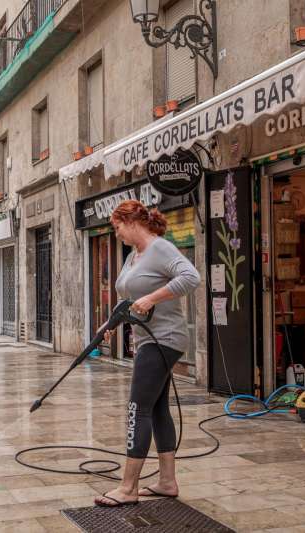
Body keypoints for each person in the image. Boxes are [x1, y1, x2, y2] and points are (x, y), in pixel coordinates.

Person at [94, 200, 200, 507]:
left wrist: (153, 298)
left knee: (136, 408)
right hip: (147, 339)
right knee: (156, 409)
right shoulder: (133, 256)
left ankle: (128, 488)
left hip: (163, 339)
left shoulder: (159, 248)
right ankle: (167, 481)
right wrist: (111, 323)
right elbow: (129, 297)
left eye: (116, 228)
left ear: (130, 222)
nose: (116, 235)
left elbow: (191, 277)